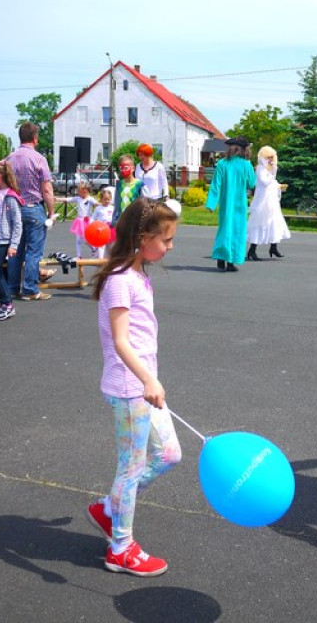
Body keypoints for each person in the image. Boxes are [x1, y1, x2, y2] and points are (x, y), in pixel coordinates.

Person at [86, 198, 182, 577]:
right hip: (130, 388)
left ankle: (109, 509)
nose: (170, 246)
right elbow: (121, 340)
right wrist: (147, 379)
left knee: (170, 454)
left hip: (143, 385)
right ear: (143, 238)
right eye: (166, 239)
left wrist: (150, 379)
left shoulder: (138, 272)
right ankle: (120, 549)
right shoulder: (120, 280)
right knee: (131, 469)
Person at [6, 123, 55, 301]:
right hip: (33, 207)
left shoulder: (9, 158)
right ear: (35, 138)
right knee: (33, 252)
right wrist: (51, 212)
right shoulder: (39, 159)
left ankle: (12, 288)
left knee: (15, 250)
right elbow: (47, 189)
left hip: (13, 208)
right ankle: (30, 289)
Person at [205, 137, 255, 272]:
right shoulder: (246, 165)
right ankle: (231, 262)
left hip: (226, 204)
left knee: (225, 230)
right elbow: (252, 183)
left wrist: (211, 203)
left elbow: (216, 185)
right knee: (238, 232)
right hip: (240, 204)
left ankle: (221, 259)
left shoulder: (222, 164)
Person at [0, 161, 24, 322]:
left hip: (4, 240)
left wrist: (14, 245)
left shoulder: (10, 197)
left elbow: (17, 223)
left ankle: (7, 304)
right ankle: (5, 303)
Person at [246, 145, 290, 260]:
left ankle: (273, 247)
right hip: (263, 201)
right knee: (260, 222)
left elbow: (272, 182)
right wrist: (272, 172)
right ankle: (252, 249)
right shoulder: (261, 168)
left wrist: (278, 184)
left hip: (271, 201)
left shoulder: (270, 168)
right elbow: (265, 182)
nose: (270, 160)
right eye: (268, 157)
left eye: (272, 157)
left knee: (274, 222)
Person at [57, 182, 99, 259]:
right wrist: (57, 199)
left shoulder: (90, 199)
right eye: (78, 191)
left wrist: (104, 204)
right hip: (80, 221)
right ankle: (78, 255)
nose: (78, 193)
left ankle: (94, 248)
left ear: (85, 191)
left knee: (87, 239)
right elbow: (67, 199)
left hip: (88, 221)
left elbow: (96, 203)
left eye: (80, 191)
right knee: (78, 240)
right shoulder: (78, 198)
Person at [112, 154, 143, 226]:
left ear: (133, 168)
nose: (123, 170)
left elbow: (144, 204)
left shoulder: (139, 184)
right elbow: (116, 204)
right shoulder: (119, 184)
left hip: (134, 221)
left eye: (126, 168)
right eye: (121, 168)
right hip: (121, 221)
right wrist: (113, 221)